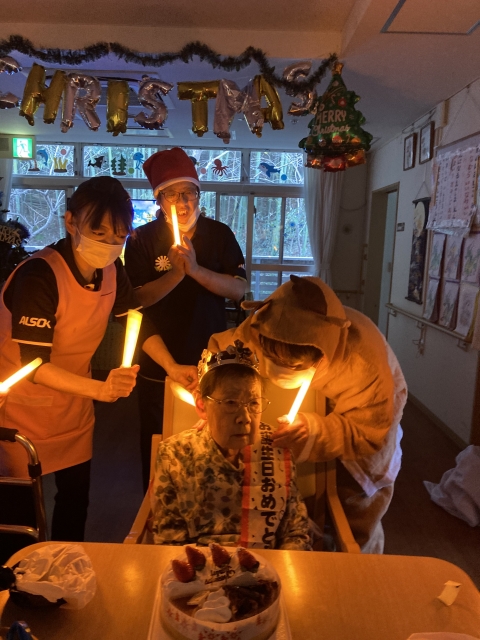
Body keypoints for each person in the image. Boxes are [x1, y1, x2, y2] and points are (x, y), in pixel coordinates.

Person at [0, 176, 176, 542]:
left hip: (73, 406)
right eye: (99, 232)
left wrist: (172, 367)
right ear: (70, 221)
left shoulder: (112, 270)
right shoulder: (39, 275)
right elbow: (34, 365)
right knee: (20, 516)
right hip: (19, 409)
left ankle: (67, 566)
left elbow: (135, 318)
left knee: (75, 499)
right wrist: (101, 389)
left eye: (119, 236)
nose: (109, 245)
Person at [209, 275, 408, 553]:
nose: (280, 370)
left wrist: (316, 431)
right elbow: (220, 353)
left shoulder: (365, 364)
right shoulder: (260, 325)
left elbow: (369, 432)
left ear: (322, 355)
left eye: (294, 366)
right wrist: (206, 379)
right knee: (303, 497)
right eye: (271, 357)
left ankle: (359, 565)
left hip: (365, 428)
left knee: (356, 508)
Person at [125, 147, 247, 491]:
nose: (182, 202)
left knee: (211, 440)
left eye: (188, 192)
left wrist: (194, 270)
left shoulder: (219, 234)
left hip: (211, 357)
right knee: (157, 443)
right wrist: (175, 274)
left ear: (198, 195)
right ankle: (156, 505)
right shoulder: (141, 239)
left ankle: (209, 503)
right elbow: (138, 300)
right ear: (158, 199)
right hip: (158, 362)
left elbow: (238, 289)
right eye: (171, 194)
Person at [150, 341, 312, 550]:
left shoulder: (276, 448)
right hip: (198, 566)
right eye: (230, 403)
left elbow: (296, 533)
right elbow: (169, 543)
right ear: (202, 405)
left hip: (268, 565)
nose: (245, 418)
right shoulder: (174, 455)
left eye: (253, 403)